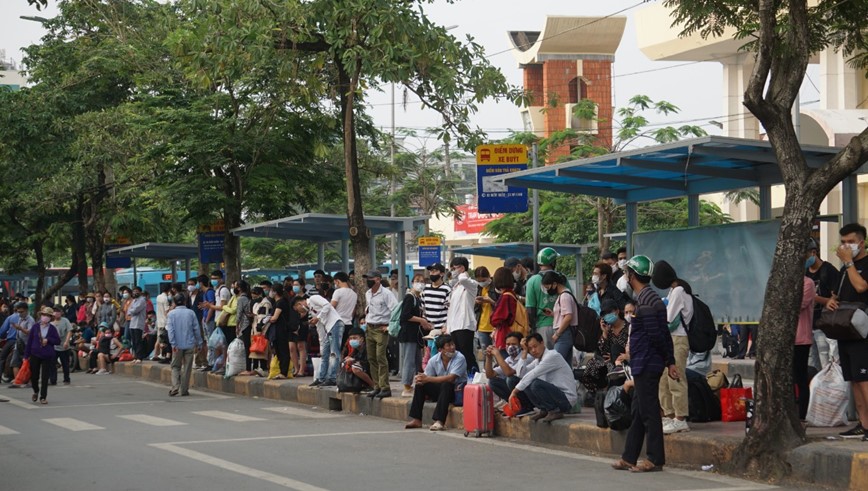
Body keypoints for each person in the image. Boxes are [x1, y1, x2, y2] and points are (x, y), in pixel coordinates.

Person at [612, 255, 678, 473]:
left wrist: (667, 360)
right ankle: (629, 456)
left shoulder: (647, 303)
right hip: (646, 362)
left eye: (627, 274)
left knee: (648, 412)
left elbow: (656, 335)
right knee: (639, 410)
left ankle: (655, 459)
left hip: (647, 363)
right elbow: (663, 334)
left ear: (632, 276)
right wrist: (669, 360)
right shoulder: (649, 298)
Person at [828, 223, 868, 440]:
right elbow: (837, 294)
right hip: (846, 330)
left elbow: (861, 287)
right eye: (843, 242)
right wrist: (832, 302)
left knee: (864, 379)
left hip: (864, 331)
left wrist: (849, 262)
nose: (846, 246)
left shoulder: (855, 264)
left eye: (850, 242)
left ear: (861, 242)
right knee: (853, 379)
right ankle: (863, 423)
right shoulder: (844, 268)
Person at [651, 260, 693, 435]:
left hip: (678, 339)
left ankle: (680, 418)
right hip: (670, 338)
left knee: (675, 378)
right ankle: (669, 415)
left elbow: (667, 318)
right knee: (663, 378)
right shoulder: (673, 290)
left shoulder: (678, 291)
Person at [404, 334, 468, 431]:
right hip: (442, 392)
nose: (452, 348)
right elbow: (426, 377)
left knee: (447, 384)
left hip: (457, 392)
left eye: (452, 344)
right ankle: (416, 419)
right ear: (440, 350)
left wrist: (428, 379)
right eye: (448, 345)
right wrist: (421, 379)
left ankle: (439, 421)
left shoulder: (460, 358)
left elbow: (451, 378)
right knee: (421, 385)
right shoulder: (434, 360)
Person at [510, 332, 578, 423]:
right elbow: (521, 374)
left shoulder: (552, 356)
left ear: (542, 343)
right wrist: (524, 352)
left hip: (566, 400)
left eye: (535, 346)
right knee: (526, 382)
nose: (533, 350)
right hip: (556, 396)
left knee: (535, 384)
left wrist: (514, 391)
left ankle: (554, 410)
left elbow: (533, 374)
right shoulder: (538, 360)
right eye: (530, 349)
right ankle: (544, 409)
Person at [805, 238, 840, 370]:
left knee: (826, 362)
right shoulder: (805, 272)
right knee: (813, 364)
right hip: (809, 325)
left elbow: (835, 300)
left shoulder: (828, 270)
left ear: (813, 253)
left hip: (824, 325)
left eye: (805, 256)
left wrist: (815, 298)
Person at [295, 293, 344, 387]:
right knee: (324, 354)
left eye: (298, 310)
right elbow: (319, 327)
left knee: (334, 353)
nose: (300, 313)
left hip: (335, 324)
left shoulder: (314, 298)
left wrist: (318, 317)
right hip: (328, 329)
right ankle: (321, 378)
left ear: (299, 304)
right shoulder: (311, 312)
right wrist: (321, 343)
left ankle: (332, 378)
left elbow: (327, 305)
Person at [581, 299, 629, 392]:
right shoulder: (608, 329)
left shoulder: (628, 327)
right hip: (608, 361)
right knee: (592, 365)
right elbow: (602, 350)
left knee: (611, 361)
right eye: (604, 314)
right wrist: (604, 333)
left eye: (609, 312)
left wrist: (615, 356)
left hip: (623, 360)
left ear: (617, 311)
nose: (607, 315)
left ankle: (612, 390)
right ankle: (600, 393)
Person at [363, 270, 397, 398]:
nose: (368, 281)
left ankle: (385, 387)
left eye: (370, 278)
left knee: (380, 357)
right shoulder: (368, 293)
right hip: (370, 327)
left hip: (381, 328)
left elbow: (395, 310)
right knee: (371, 358)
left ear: (377, 279)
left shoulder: (386, 294)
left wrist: (389, 326)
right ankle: (376, 386)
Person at [398, 274, 432, 397]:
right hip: (409, 335)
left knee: (418, 361)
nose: (420, 283)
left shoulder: (418, 298)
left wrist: (425, 323)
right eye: (417, 281)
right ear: (412, 282)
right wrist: (421, 320)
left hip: (416, 335)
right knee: (409, 360)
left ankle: (419, 384)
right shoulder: (409, 297)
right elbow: (405, 316)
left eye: (422, 281)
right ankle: (407, 386)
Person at [526, 247, 567, 349]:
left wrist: (533, 328)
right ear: (553, 262)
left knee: (546, 360)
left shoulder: (532, 281)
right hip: (562, 325)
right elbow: (569, 296)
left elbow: (530, 308)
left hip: (542, 327)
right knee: (562, 361)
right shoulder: (561, 277)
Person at [446, 257, 479, 375]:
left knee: (467, 354)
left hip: (465, 325)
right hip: (454, 326)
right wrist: (448, 327)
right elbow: (451, 310)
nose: (453, 271)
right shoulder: (455, 288)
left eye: (455, 268)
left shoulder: (471, 284)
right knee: (458, 355)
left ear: (462, 268)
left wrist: (462, 273)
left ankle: (474, 376)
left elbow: (464, 279)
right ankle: (463, 378)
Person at [167, 293, 203, 396]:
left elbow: (171, 331)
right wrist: (199, 343)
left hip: (177, 345)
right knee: (187, 368)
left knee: (175, 366)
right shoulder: (191, 313)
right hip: (189, 344)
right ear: (185, 301)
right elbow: (196, 329)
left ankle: (175, 387)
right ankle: (184, 389)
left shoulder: (171, 314)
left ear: (174, 302)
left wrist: (173, 344)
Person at [24, 306, 61, 404]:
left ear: (50, 317)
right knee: (34, 376)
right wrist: (26, 356)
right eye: (44, 315)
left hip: (47, 355)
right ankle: (36, 391)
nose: (45, 317)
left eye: (48, 315)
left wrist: (48, 340)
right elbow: (30, 341)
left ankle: (43, 397)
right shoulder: (35, 327)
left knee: (45, 377)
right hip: (35, 354)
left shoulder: (52, 328)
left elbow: (57, 341)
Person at [485, 332, 529, 412]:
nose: (510, 347)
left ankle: (526, 407)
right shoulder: (509, 359)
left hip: (528, 392)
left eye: (513, 344)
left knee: (511, 379)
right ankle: (513, 404)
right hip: (516, 391)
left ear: (521, 345)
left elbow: (509, 372)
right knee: (493, 382)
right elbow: (490, 375)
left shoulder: (526, 356)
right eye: (508, 344)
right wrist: (489, 357)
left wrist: (497, 354)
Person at [541, 271, 577, 365]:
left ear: (555, 284)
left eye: (548, 287)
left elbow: (568, 317)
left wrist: (557, 333)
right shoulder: (564, 295)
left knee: (555, 363)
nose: (548, 290)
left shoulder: (564, 296)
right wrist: (554, 314)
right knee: (565, 365)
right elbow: (564, 315)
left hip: (564, 333)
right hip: (565, 333)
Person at [794, 273, 816, 420]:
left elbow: (798, 304)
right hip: (786, 340)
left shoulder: (807, 283)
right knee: (787, 378)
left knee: (800, 378)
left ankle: (801, 414)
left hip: (801, 338)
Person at [0, 302, 32, 383]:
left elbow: (2, 331)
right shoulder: (20, 318)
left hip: (21, 343)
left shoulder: (29, 320)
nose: (20, 314)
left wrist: (20, 328)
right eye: (19, 312)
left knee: (2, 358)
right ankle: (17, 380)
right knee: (15, 362)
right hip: (17, 342)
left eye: (21, 312)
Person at [489, 267, 518, 352]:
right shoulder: (511, 294)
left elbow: (496, 319)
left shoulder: (506, 296)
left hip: (504, 335)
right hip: (511, 333)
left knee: (503, 361)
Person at [267, 284, 292, 379]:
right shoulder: (277, 302)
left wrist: (266, 319)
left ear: (275, 292)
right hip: (278, 329)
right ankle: (282, 371)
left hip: (281, 330)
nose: (270, 293)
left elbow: (275, 318)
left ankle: (284, 372)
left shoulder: (280, 303)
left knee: (283, 350)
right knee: (279, 350)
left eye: (271, 291)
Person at [473, 266, 498, 351]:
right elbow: (474, 308)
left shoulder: (496, 287)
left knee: (497, 352)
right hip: (481, 326)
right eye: (479, 281)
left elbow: (500, 306)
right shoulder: (478, 288)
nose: (481, 283)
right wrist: (476, 302)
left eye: (483, 280)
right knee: (485, 353)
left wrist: (491, 301)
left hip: (494, 326)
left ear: (488, 276)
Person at [422, 263, 451, 332]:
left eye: (434, 271)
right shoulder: (426, 288)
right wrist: (424, 322)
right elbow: (422, 307)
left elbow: (450, 310)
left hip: (441, 329)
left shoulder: (447, 289)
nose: (432, 273)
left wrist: (446, 326)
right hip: (427, 327)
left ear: (442, 274)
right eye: (430, 271)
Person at [50, 305, 74, 386]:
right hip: (54, 347)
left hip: (64, 346)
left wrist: (66, 342)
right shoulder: (51, 323)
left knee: (65, 364)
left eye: (58, 311)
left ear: (61, 312)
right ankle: (53, 380)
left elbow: (69, 331)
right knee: (52, 364)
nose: (56, 313)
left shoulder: (65, 320)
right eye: (55, 311)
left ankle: (66, 379)